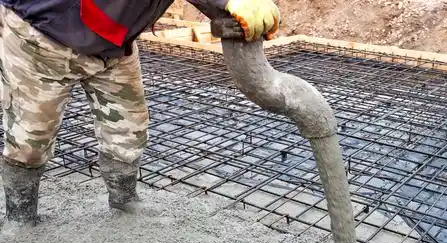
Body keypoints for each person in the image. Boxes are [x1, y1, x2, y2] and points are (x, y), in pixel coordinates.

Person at [0, 0, 280, 225]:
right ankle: (20, 217)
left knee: (128, 127)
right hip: (41, 35)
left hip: (113, 41)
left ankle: (124, 200)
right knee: (30, 139)